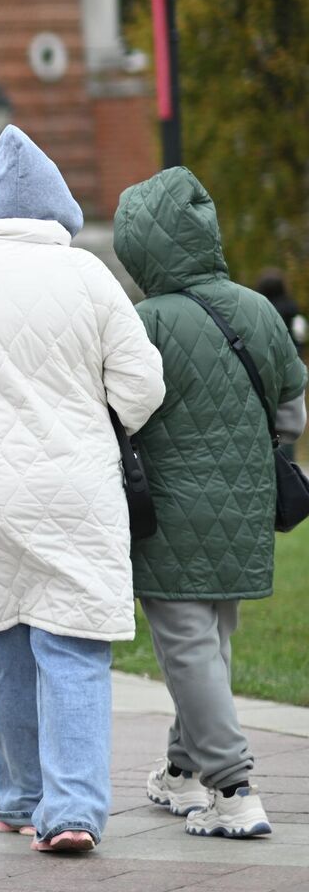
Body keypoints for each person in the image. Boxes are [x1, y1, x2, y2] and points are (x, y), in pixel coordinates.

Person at [0, 126, 165, 854]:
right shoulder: (89, 275)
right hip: (73, 485)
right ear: (58, 208)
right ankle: (74, 809)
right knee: (73, 644)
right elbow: (143, 383)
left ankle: (20, 797)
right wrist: (101, 416)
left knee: (1, 640)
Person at [114, 168, 307, 840]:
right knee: (210, 642)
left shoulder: (145, 322)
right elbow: (292, 413)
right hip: (246, 505)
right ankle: (182, 772)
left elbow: (121, 413)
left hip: (169, 510)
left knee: (190, 648)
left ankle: (233, 789)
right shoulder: (258, 309)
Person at [253, 269, 306, 355]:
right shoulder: (290, 307)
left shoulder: (257, 307)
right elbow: (299, 332)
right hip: (289, 353)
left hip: (262, 355)